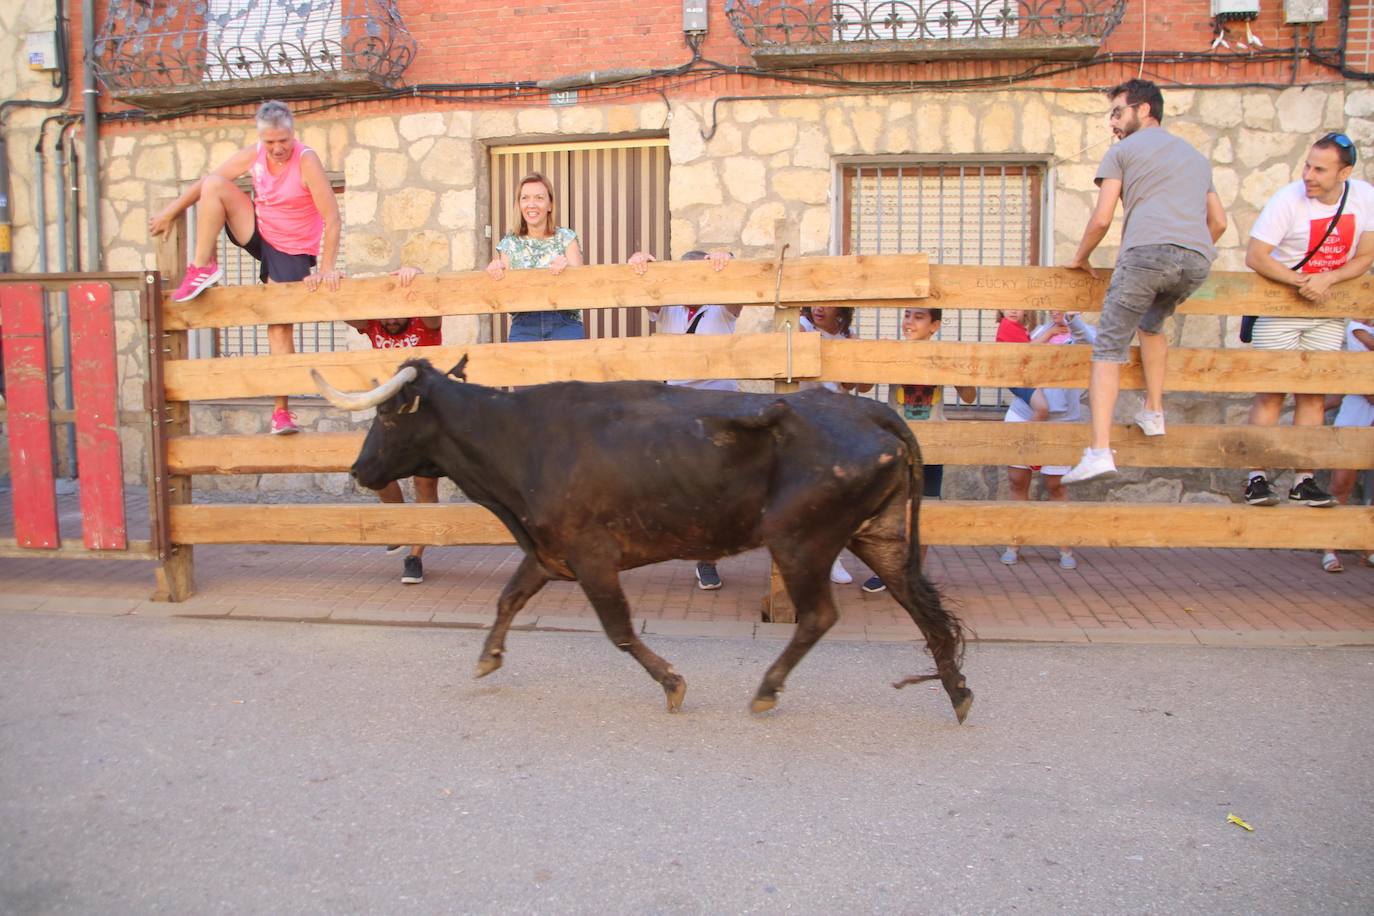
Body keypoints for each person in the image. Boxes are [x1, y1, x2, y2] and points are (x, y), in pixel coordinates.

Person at [1061, 79, 1227, 484]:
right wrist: (1188, 248)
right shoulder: (1196, 158)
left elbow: (1101, 218)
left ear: (1145, 109)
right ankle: (1154, 411)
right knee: (1151, 325)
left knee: (1108, 348)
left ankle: (1099, 451)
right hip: (1195, 261)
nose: (1112, 123)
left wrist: (1079, 258)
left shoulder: (1122, 152)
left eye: (1118, 112)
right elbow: (1219, 222)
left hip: (1146, 254)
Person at [149, 99, 342, 436]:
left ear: (293, 134)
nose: (278, 148)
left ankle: (281, 411)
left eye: (283, 140)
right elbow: (204, 183)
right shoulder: (255, 154)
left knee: (278, 326)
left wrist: (326, 268)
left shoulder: (306, 160)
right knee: (214, 184)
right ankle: (201, 267)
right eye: (270, 142)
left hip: (292, 248)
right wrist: (170, 212)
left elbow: (333, 217)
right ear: (261, 138)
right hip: (258, 232)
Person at [1241, 133, 1374, 509]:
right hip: (1280, 307)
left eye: (1319, 169)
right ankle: (1256, 478)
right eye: (1307, 165)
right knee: (1272, 392)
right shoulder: (1287, 200)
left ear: (1344, 173)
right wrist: (1302, 282)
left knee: (1313, 395)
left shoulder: (1364, 197)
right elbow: (1256, 255)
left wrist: (1329, 279)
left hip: (1326, 309)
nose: (1308, 176)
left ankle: (1304, 479)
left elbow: (1365, 255)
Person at [628, 247, 736, 589]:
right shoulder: (668, 304)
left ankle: (707, 556)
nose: (689, 284)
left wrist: (726, 259)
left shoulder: (722, 304)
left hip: (718, 404)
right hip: (676, 407)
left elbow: (737, 288)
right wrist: (642, 264)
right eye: (683, 277)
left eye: (697, 277)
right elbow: (646, 290)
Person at [862, 307, 976, 593]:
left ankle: (913, 574)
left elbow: (969, 396)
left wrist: (956, 366)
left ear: (934, 325)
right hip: (897, 445)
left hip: (931, 446)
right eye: (907, 315)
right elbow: (863, 386)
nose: (909, 322)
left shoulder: (942, 354)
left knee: (924, 509)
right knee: (888, 511)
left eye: (919, 317)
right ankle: (887, 569)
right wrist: (878, 355)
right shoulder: (895, 351)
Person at [343, 267, 439, 584]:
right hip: (391, 413)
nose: (392, 320)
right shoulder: (373, 324)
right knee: (373, 471)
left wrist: (419, 275)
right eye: (386, 315)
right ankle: (400, 524)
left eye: (398, 314)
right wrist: (339, 281)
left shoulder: (424, 322)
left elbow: (435, 304)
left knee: (424, 485)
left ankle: (415, 556)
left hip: (427, 413)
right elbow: (342, 308)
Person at [1000, 311, 1097, 570]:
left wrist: (1073, 322)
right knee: (1017, 480)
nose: (1056, 311)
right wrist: (1047, 334)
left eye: (1063, 306)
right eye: (1053, 306)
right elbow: (1020, 360)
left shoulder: (1086, 332)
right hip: (1024, 413)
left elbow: (1092, 346)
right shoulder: (1038, 332)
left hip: (1062, 421)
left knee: (1056, 485)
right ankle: (1014, 541)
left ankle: (1064, 546)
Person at [799, 305, 875, 585]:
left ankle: (829, 557)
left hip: (836, 426)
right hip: (805, 423)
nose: (819, 307)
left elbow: (861, 386)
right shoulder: (802, 327)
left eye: (827, 302)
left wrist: (855, 354)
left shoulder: (847, 335)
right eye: (815, 300)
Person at [486, 172, 585, 342]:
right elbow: (504, 296)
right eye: (525, 198)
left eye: (539, 198)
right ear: (519, 205)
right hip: (524, 326)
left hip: (565, 323)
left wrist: (568, 269)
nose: (531, 204)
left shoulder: (566, 238)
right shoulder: (509, 243)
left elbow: (582, 284)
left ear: (550, 205)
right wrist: (496, 272)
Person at [1321, 317, 1374, 573]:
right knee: (1341, 484)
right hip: (1356, 414)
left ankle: (1369, 548)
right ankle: (1329, 548)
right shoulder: (1357, 326)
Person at [994, 308, 1050, 421]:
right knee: (1042, 409)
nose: (1013, 311)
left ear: (1025, 311)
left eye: (1018, 308)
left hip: (1020, 375)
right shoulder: (1008, 325)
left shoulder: (1017, 327)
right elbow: (1029, 348)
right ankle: (1028, 432)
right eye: (1009, 307)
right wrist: (1050, 333)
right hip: (1017, 377)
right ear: (1001, 309)